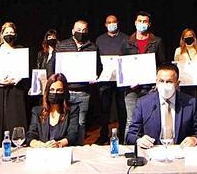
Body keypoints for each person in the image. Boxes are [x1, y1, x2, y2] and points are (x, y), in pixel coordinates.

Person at [126, 64, 197, 148]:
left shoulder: (190, 103)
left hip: (181, 153)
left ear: (177, 83)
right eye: (161, 81)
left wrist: (195, 139)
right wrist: (139, 140)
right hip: (153, 153)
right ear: (156, 82)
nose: (164, 85)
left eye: (169, 81)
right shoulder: (143, 103)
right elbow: (130, 135)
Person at [120, 11, 167, 139]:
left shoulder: (156, 42)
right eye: (139, 21)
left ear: (149, 24)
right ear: (135, 23)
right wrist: (128, 81)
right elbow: (123, 65)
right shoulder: (126, 42)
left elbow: (162, 64)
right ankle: (128, 148)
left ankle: (152, 145)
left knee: (151, 119)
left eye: (145, 21)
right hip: (131, 89)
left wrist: (158, 82)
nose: (142, 24)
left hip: (150, 87)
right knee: (131, 120)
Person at [0, 22, 28, 147]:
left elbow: (25, 72)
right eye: (6, 33)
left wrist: (15, 80)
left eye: (11, 33)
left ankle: (17, 146)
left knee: (14, 118)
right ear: (2, 35)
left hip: (15, 90)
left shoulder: (20, 50)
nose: (9, 35)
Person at [50, 20, 99, 135]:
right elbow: (51, 65)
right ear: (73, 31)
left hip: (83, 92)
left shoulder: (92, 47)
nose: (81, 32)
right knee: (62, 122)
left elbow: (99, 67)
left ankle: (79, 148)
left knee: (81, 123)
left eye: (84, 30)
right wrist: (53, 81)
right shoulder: (62, 45)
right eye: (78, 30)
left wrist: (95, 76)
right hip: (64, 92)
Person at [95, 15, 128, 144]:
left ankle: (122, 135)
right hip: (105, 81)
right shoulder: (100, 40)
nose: (111, 24)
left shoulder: (126, 39)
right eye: (109, 22)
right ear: (105, 24)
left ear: (117, 23)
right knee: (104, 110)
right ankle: (103, 135)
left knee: (122, 109)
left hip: (121, 80)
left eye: (114, 22)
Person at [26, 73, 81, 147]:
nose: (55, 93)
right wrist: (40, 145)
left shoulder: (72, 110)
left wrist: (58, 144)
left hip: (62, 150)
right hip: (43, 150)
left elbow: (73, 135)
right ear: (47, 91)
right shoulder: (37, 111)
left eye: (59, 90)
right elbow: (31, 135)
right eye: (52, 90)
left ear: (64, 92)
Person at [173, 28, 197, 100]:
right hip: (183, 84)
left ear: (194, 37)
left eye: (190, 35)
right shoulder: (178, 50)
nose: (188, 37)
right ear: (183, 38)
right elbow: (176, 68)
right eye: (186, 36)